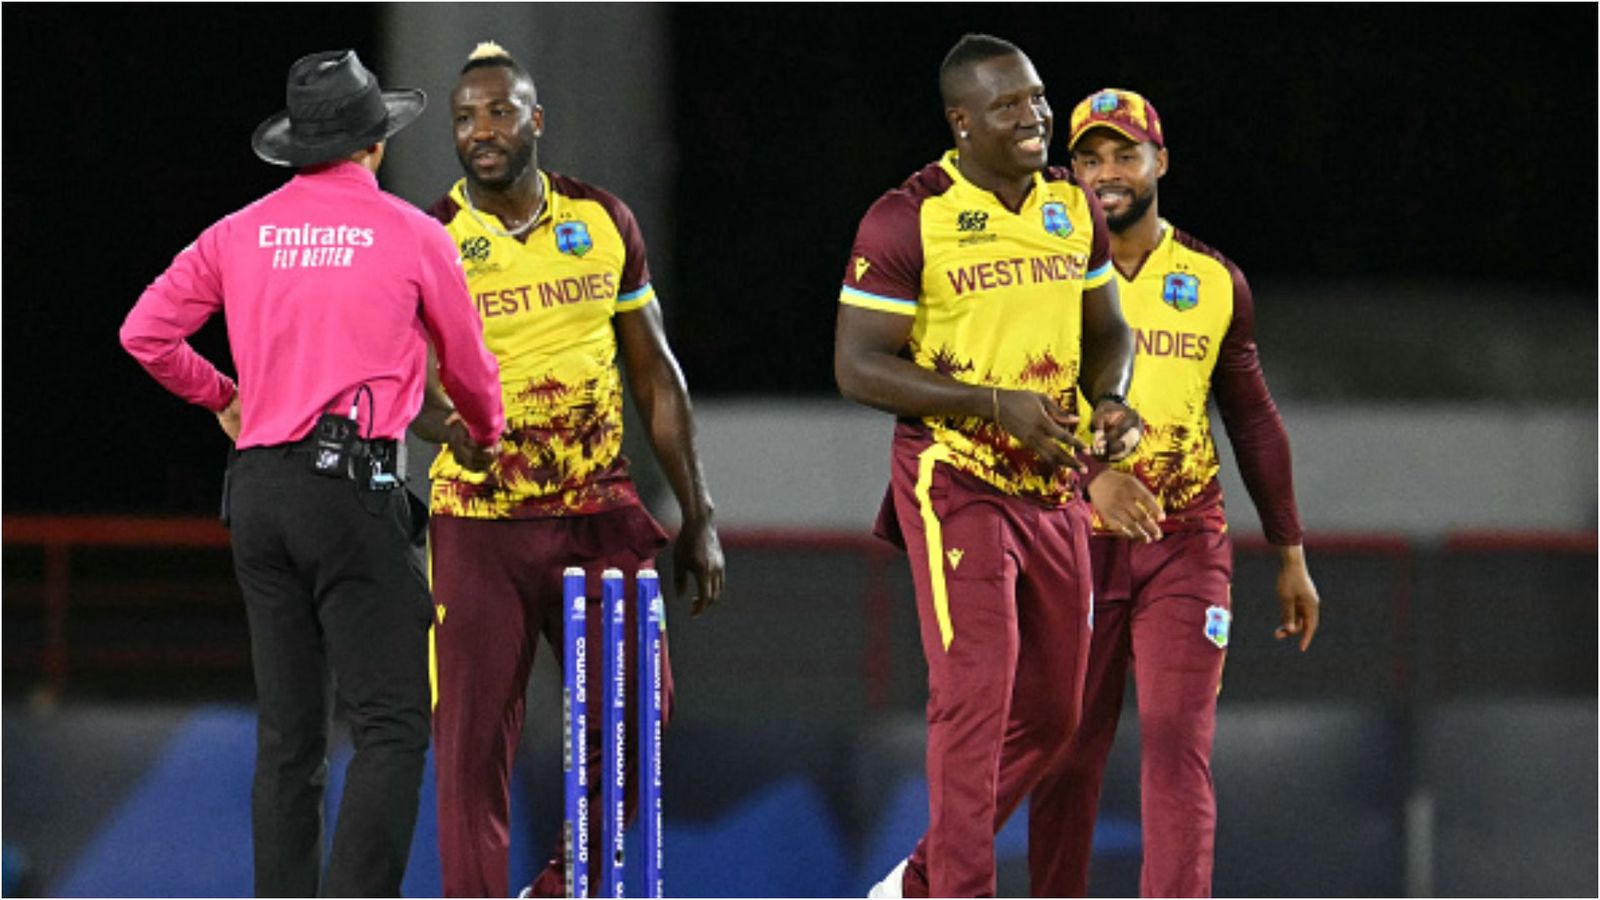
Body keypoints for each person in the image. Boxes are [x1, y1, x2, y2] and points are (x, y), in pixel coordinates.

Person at [119, 50, 504, 897]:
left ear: (297, 148)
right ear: (374, 146)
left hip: (257, 494)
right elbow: (471, 371)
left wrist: (223, 395)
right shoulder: (414, 235)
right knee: (393, 727)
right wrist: (487, 433)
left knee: (289, 739)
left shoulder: (237, 231)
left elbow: (143, 332)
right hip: (351, 488)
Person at [412, 42, 725, 898]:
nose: (482, 132)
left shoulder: (603, 221)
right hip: (478, 521)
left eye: (500, 112)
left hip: (598, 509)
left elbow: (656, 371)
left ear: (535, 120)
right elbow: (400, 385)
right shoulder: (431, 239)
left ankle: (564, 886)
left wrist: (698, 512)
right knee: (471, 750)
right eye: (466, 118)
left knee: (636, 721)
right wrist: (447, 429)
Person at [838, 34, 1146, 899]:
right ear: (961, 121)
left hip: (1052, 485)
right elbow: (857, 365)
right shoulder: (909, 217)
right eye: (1009, 104)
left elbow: (1109, 330)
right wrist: (991, 403)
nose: (1036, 116)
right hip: (953, 477)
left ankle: (920, 882)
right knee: (975, 696)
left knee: (1055, 716)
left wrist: (1111, 399)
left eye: (1040, 98)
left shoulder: (1069, 205)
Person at [1024, 88, 1323, 898]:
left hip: (1185, 542)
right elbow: (999, 405)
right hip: (1071, 541)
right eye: (1088, 159)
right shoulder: (1044, 277)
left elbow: (1253, 419)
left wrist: (1290, 552)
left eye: (1125, 155)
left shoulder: (1213, 280)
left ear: (1161, 163)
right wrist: (1093, 484)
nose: (1106, 174)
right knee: (1068, 748)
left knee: (1174, 738)